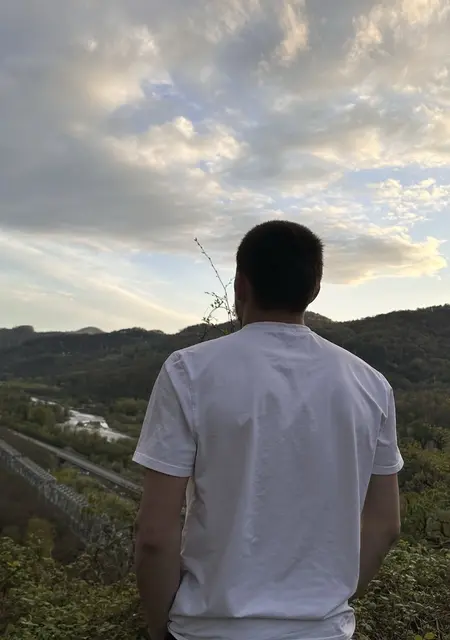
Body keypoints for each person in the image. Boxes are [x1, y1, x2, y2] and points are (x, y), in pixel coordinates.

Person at [133, 220, 403, 640]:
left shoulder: (189, 371)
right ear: (315, 289)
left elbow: (154, 535)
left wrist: (160, 629)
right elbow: (385, 525)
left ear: (240, 284)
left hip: (208, 630)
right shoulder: (370, 385)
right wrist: (327, 603)